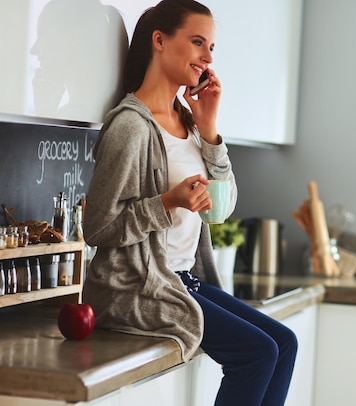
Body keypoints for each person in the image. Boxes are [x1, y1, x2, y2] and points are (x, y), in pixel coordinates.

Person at [82, 1, 297, 404]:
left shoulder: (191, 122)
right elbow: (98, 227)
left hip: (182, 278)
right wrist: (166, 202)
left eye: (211, 47)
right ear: (159, 41)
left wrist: (211, 130)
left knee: (284, 343)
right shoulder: (130, 127)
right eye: (198, 42)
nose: (207, 57)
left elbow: (220, 211)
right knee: (257, 353)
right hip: (135, 287)